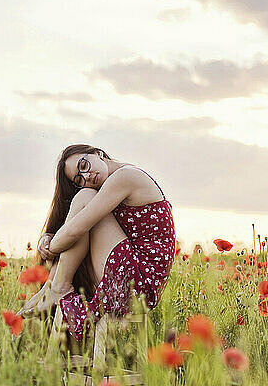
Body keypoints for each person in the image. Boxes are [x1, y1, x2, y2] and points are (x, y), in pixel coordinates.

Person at [17, 144, 176, 341]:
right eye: (79, 178)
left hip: (140, 282)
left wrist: (49, 248)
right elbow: (71, 227)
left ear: (97, 153)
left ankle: (56, 288)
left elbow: (75, 229)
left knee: (85, 198)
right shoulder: (108, 186)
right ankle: (53, 287)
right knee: (84, 200)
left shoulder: (125, 176)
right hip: (134, 279)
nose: (86, 176)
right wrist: (48, 237)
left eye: (83, 165)